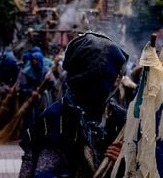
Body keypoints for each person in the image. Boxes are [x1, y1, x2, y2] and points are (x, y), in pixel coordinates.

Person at [18, 32, 128, 178]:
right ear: (94, 76)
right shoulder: (54, 121)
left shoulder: (121, 119)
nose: (117, 81)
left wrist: (125, 162)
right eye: (113, 75)